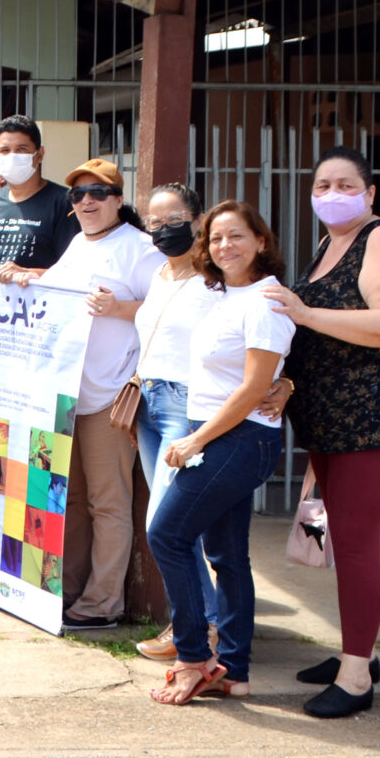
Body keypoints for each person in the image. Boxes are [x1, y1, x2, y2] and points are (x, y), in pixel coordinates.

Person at [262, 146, 380, 718]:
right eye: (322, 185)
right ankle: (360, 651)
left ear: (371, 193)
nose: (332, 194)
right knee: (333, 539)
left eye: (345, 184)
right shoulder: (329, 245)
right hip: (329, 418)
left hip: (373, 416)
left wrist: (303, 314)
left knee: (355, 543)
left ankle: (357, 677)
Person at [146, 201, 294, 704]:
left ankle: (193, 657)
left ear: (261, 242)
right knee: (227, 556)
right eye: (214, 238)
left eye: (236, 236)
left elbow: (254, 387)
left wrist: (196, 438)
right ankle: (234, 670)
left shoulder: (267, 299)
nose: (224, 246)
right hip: (218, 432)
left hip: (237, 438)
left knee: (166, 533)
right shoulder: (224, 294)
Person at [5, 160, 161, 629]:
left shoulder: (140, 249)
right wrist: (29, 275)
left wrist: (120, 308)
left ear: (118, 199)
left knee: (108, 504)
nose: (87, 201)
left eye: (98, 192)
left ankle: (102, 605)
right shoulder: (77, 243)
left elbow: (167, 309)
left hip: (109, 398)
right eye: (77, 195)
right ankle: (66, 591)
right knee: (65, 499)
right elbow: (59, 286)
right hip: (64, 396)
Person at [130, 183, 222, 662]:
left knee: (165, 525)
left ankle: (201, 626)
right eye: (156, 223)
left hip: (186, 407)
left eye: (174, 220)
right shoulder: (160, 276)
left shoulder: (216, 280)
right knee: (173, 525)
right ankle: (197, 622)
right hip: (149, 401)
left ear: (197, 218)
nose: (164, 230)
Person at [0, 115, 78, 274]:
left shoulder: (64, 203)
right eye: (5, 150)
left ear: (40, 154)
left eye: (21, 150)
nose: (12, 156)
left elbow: (74, 270)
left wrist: (28, 273)